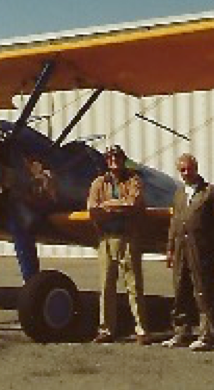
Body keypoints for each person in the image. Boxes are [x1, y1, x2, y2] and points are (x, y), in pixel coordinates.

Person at [163, 153, 214, 351]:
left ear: (196, 168)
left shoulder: (210, 192)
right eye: (182, 170)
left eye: (189, 169)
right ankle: (181, 332)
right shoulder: (179, 194)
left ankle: (207, 335)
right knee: (180, 289)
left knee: (203, 290)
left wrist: (207, 237)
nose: (186, 173)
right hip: (180, 247)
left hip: (200, 248)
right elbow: (174, 222)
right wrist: (170, 248)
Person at [86, 145, 150, 345]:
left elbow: (133, 204)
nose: (114, 160)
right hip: (106, 239)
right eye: (110, 157)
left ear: (123, 159)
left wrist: (108, 205)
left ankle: (141, 329)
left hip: (128, 238)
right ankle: (106, 329)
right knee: (106, 285)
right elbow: (92, 208)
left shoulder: (134, 180)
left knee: (133, 285)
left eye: (117, 157)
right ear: (106, 161)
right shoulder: (98, 182)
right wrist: (118, 205)